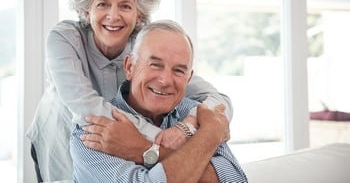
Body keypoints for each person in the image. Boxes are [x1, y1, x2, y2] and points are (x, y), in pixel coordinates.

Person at [26, 0, 233, 182]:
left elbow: (218, 100)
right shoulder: (65, 38)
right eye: (102, 4)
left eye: (125, 6)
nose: (113, 16)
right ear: (87, 11)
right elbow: (86, 107)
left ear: (139, 15)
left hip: (113, 139)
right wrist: (155, 142)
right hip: (61, 136)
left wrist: (188, 127)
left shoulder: (142, 47)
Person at [71, 20, 247, 183]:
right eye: (155, 65)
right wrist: (209, 135)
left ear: (188, 78)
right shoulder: (93, 130)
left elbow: (235, 179)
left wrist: (143, 149)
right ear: (129, 67)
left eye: (178, 70)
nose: (165, 80)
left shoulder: (197, 115)